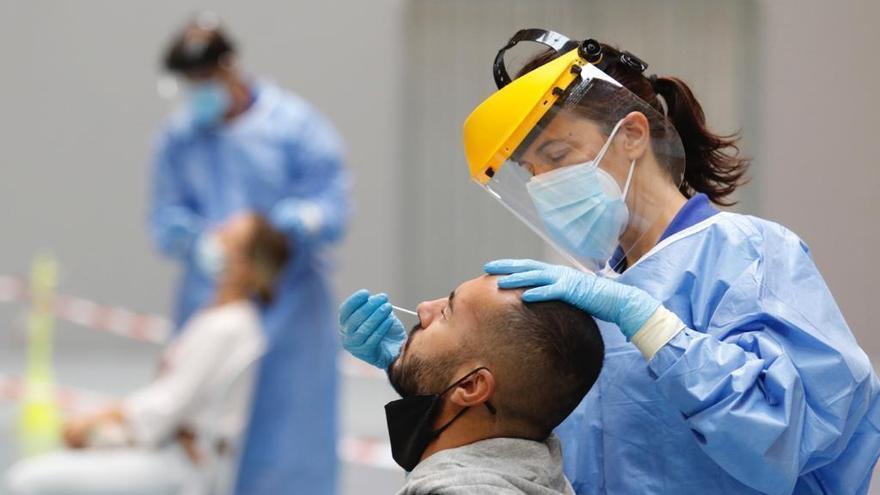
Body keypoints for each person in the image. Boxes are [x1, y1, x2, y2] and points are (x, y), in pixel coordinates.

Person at [346, 29, 880, 494]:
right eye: (532, 171)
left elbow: (785, 438)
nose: (545, 186)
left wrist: (652, 326)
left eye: (557, 157)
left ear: (631, 135)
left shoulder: (747, 254)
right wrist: (426, 378)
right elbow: (528, 449)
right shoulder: (595, 292)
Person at [150, 14, 350, 494]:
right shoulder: (180, 139)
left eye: (204, 80)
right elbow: (166, 218)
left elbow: (333, 204)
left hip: (293, 307)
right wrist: (194, 244)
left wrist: (304, 220)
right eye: (188, 83)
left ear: (229, 68)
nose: (196, 91)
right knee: (198, 419)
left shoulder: (294, 127)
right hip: (209, 299)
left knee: (291, 434)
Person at [5, 213, 288, 495]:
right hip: (169, 452)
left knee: (26, 481)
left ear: (247, 266)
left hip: (178, 464)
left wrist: (96, 421)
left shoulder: (228, 327)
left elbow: (167, 406)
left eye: (229, 238)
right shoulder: (220, 319)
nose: (215, 237)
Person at [339, 274, 604, 494]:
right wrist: (403, 363)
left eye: (445, 313)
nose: (423, 308)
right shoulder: (536, 467)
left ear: (470, 387)